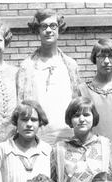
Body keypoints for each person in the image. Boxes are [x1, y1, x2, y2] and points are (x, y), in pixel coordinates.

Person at [17, 9, 80, 145]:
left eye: (53, 26)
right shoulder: (26, 66)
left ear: (59, 29)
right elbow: (22, 105)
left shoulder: (70, 65)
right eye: (44, 26)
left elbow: (77, 103)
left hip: (68, 136)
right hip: (38, 137)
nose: (48, 30)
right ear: (38, 30)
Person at [51, 97, 112, 182]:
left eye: (86, 114)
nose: (81, 119)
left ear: (94, 117)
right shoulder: (59, 149)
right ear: (70, 119)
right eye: (76, 115)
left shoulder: (107, 146)